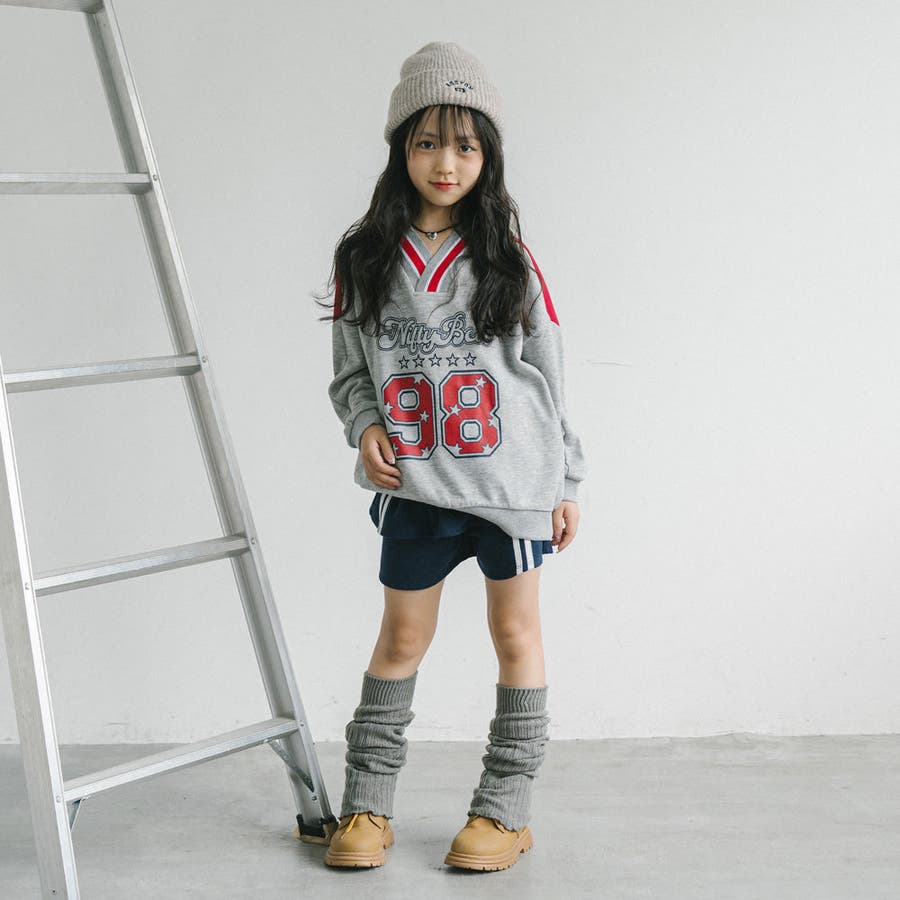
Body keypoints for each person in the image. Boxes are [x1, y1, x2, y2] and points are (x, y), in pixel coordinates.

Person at [319, 41, 588, 872]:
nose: (446, 163)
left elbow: (548, 374)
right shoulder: (365, 255)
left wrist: (566, 478)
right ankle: (367, 804)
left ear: (487, 156)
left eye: (466, 145)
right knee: (401, 638)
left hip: (512, 485)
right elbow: (351, 374)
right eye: (429, 142)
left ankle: (504, 810)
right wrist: (366, 426)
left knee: (515, 632)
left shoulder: (508, 255)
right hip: (418, 488)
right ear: (401, 147)